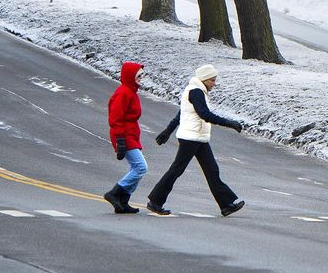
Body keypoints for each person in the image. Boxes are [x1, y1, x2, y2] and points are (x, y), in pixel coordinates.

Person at [146, 64, 246, 217]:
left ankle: (226, 205)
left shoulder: (197, 91)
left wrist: (168, 131)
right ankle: (155, 201)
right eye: (212, 80)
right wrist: (229, 123)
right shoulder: (196, 92)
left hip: (198, 138)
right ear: (204, 79)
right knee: (176, 170)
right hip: (191, 138)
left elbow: (181, 114)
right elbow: (204, 114)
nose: (214, 83)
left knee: (212, 171)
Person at [104, 61, 147, 214]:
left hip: (131, 134)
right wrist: (120, 140)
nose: (141, 78)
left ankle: (123, 201)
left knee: (135, 168)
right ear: (131, 76)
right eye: (139, 76)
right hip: (124, 135)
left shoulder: (131, 92)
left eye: (142, 76)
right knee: (141, 167)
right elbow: (115, 118)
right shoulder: (123, 92)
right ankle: (115, 193)